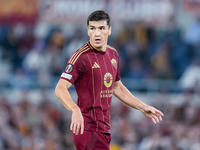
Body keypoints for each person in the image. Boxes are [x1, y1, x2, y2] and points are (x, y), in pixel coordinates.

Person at [55, 10, 164, 150]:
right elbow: (60, 88)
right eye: (92, 28)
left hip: (104, 129)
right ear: (88, 31)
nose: (97, 33)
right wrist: (75, 110)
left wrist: (142, 106)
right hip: (87, 128)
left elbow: (117, 87)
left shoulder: (113, 55)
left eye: (101, 28)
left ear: (109, 30)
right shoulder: (80, 57)